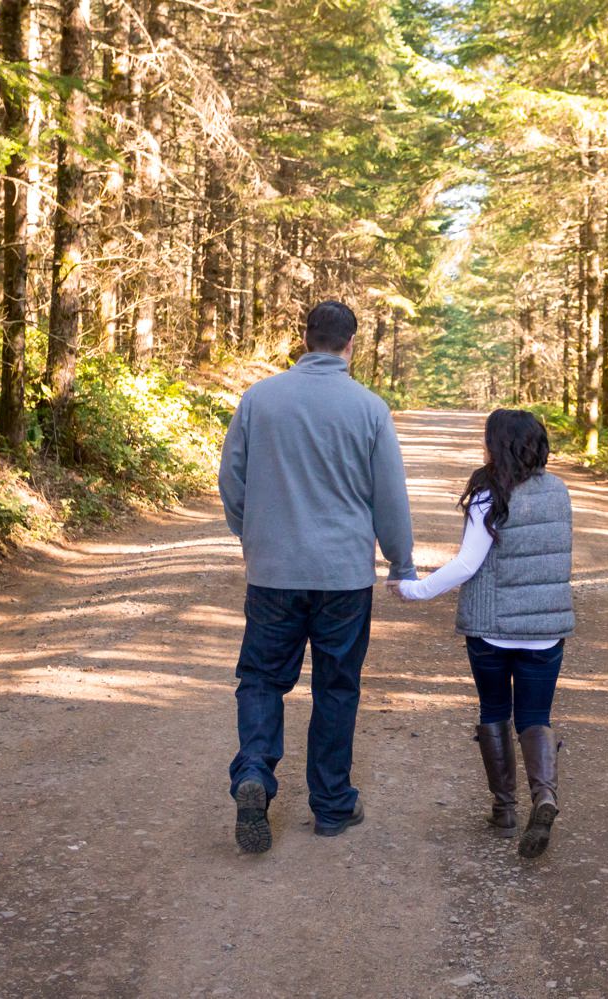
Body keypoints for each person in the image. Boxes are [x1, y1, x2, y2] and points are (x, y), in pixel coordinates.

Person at [218, 300, 416, 853]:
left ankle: (254, 772)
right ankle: (330, 807)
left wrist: (250, 533)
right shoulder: (370, 408)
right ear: (352, 343)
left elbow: (231, 479)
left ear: (303, 339)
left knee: (261, 679)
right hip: (343, 577)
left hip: (273, 571)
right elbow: (389, 499)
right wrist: (400, 562)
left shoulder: (260, 399)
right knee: (337, 686)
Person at [394, 409, 574, 858]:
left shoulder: (489, 494)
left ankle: (505, 808)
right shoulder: (559, 491)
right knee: (535, 717)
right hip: (545, 633)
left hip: (492, 630)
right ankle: (545, 797)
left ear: (499, 445)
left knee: (495, 709)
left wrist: (415, 590)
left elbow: (466, 564)